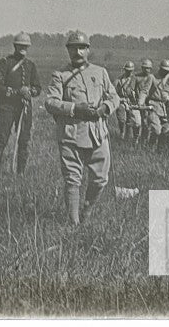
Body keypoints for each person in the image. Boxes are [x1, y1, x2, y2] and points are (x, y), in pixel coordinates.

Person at [43, 32, 121, 224]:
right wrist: (75, 108)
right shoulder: (60, 75)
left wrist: (105, 108)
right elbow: (50, 102)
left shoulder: (100, 72)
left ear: (88, 50)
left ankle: (87, 209)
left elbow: (114, 97)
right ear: (68, 50)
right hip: (71, 134)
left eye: (82, 48)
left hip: (97, 134)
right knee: (72, 179)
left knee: (100, 179)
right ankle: (74, 223)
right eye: (73, 48)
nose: (77, 52)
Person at [0, 33, 42, 174]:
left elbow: (38, 88)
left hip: (24, 108)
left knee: (24, 141)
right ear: (15, 46)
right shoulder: (5, 63)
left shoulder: (30, 65)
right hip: (6, 107)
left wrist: (30, 91)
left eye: (26, 46)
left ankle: (20, 175)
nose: (23, 48)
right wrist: (17, 92)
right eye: (20, 45)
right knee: (1, 139)